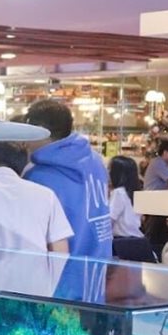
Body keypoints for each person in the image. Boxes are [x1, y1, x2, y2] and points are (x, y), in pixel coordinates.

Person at [23, 99, 112, 258]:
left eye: (28, 132)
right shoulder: (96, 161)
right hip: (99, 262)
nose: (25, 141)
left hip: (62, 267)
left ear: (40, 131)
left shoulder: (39, 176)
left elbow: (33, 238)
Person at [107, 155, 154, 262]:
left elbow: (109, 220)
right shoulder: (134, 193)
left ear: (117, 173)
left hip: (123, 244)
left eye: (109, 169)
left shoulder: (119, 193)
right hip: (138, 242)